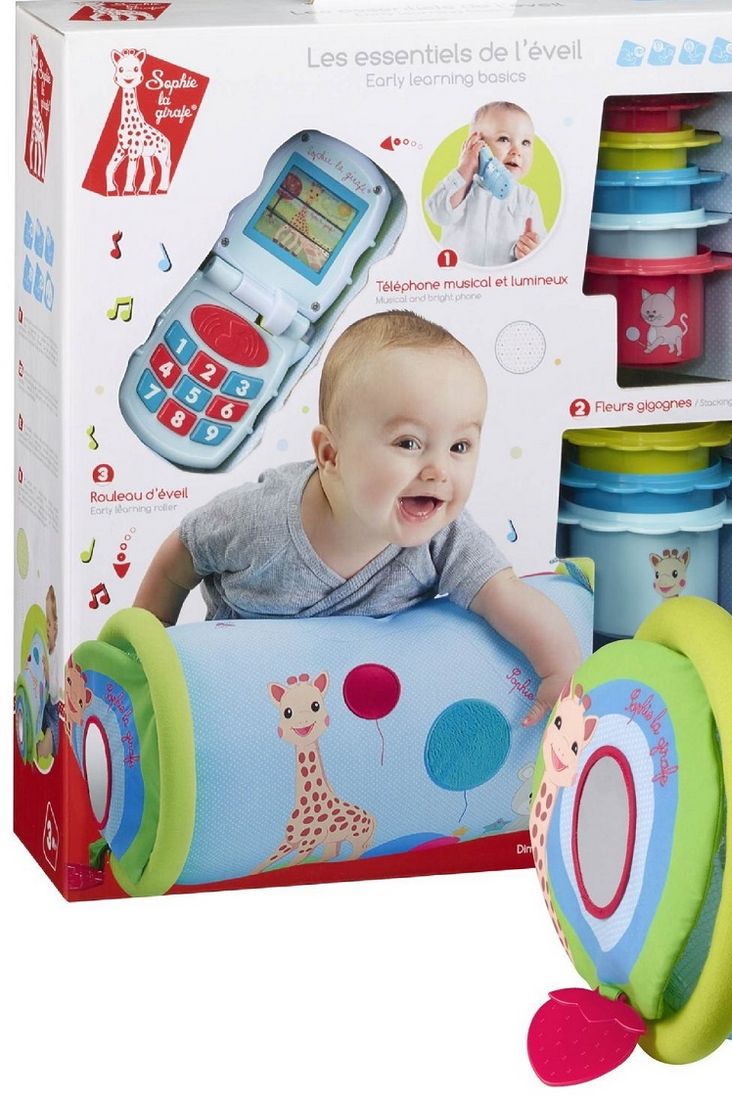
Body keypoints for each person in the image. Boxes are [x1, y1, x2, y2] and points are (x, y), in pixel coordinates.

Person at [134, 311, 579, 725]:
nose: (438, 470)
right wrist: (147, 651)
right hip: (245, 700)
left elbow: (506, 596)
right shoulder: (257, 521)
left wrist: (560, 669)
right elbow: (180, 558)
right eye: (408, 443)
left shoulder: (444, 538)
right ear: (331, 454)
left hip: (357, 717)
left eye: (459, 447)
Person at [424, 101, 546, 265]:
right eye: (504, 139)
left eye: (525, 142)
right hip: (460, 277)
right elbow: (440, 213)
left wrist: (529, 248)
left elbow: (541, 244)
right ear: (476, 144)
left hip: (504, 277)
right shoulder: (461, 186)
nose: (517, 151)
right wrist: (466, 167)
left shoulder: (527, 198)